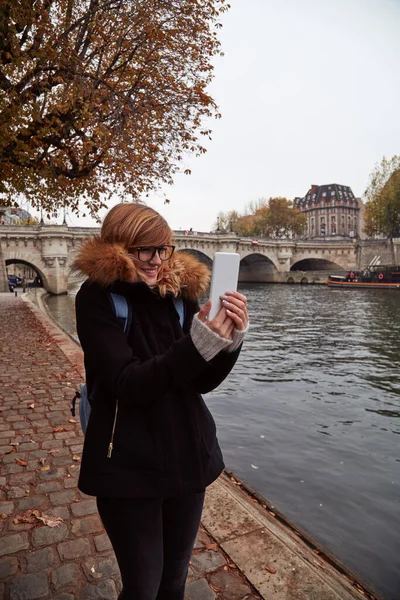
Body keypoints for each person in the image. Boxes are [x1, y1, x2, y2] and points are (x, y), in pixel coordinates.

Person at [73, 203, 249, 600]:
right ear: (119, 248)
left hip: (188, 459)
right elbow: (129, 383)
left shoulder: (179, 296)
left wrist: (227, 343)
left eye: (164, 249)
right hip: (129, 467)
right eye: (144, 250)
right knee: (143, 587)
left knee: (174, 582)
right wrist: (198, 344)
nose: (156, 261)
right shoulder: (97, 300)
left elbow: (200, 383)